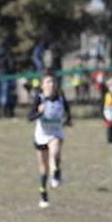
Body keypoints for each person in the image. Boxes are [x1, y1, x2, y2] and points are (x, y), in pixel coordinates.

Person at [27, 72, 70, 208]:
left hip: (56, 132)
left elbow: (68, 112)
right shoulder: (39, 99)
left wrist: (68, 119)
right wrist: (39, 112)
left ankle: (56, 172)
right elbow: (29, 117)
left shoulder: (61, 97)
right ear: (42, 85)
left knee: (55, 150)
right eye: (48, 82)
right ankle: (43, 193)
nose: (51, 85)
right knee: (43, 167)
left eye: (53, 82)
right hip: (41, 134)